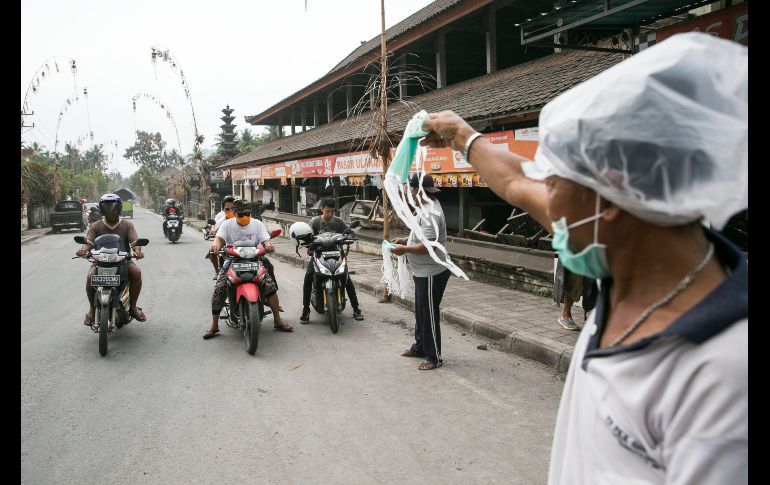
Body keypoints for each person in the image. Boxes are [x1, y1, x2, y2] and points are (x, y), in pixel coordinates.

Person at [420, 33, 747, 483]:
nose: (544, 199)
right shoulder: (628, 243)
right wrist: (463, 136)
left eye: (553, 182)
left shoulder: (725, 377)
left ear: (609, 194)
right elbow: (516, 182)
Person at [204, 198, 292, 339]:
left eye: (247, 213)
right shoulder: (227, 224)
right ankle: (214, 325)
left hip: (255, 259)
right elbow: (219, 238)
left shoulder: (257, 224)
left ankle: (278, 319)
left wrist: (268, 245)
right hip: (233, 260)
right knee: (220, 287)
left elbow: (265, 239)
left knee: (270, 286)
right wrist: (215, 245)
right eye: (240, 214)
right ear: (234, 212)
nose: (244, 217)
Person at [390, 174, 450, 371]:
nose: (410, 193)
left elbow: (427, 246)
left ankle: (434, 357)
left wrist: (406, 249)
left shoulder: (431, 213)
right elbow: (420, 235)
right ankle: (419, 347)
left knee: (429, 313)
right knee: (421, 312)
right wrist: (406, 240)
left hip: (432, 271)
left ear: (418, 191)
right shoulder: (425, 208)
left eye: (412, 190)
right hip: (423, 271)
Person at [76, 193, 147, 326]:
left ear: (119, 208)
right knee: (90, 276)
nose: (111, 210)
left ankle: (133, 307)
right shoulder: (96, 226)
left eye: (114, 207)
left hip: (123, 261)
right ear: (102, 209)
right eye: (107, 207)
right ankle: (92, 309)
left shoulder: (127, 225)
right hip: (100, 261)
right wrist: (83, 250)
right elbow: (89, 241)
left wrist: (137, 251)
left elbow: (134, 241)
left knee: (136, 272)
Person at [299, 198, 364, 323]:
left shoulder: (338, 222)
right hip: (318, 256)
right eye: (327, 211)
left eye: (332, 212)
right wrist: (309, 246)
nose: (329, 214)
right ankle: (305, 309)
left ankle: (356, 309)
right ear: (322, 209)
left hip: (337, 255)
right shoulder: (314, 222)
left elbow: (348, 233)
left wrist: (350, 237)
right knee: (308, 277)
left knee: (347, 280)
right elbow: (308, 237)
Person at [204, 195, 236, 276]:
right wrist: (216, 243)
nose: (230, 211)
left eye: (232, 208)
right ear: (223, 210)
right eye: (227, 209)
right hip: (225, 244)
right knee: (212, 251)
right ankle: (217, 271)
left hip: (242, 245)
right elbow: (215, 232)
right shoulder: (220, 219)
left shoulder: (242, 217)